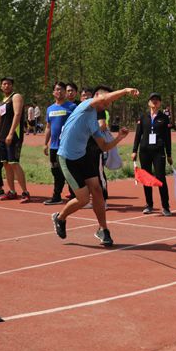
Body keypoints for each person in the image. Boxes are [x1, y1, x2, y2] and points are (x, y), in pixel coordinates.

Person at [51, 86, 138, 247]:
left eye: (108, 103)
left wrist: (119, 137)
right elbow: (103, 98)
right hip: (67, 158)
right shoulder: (86, 105)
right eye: (105, 100)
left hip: (83, 156)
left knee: (97, 190)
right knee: (83, 199)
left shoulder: (93, 122)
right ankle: (60, 218)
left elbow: (103, 146)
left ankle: (103, 229)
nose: (107, 104)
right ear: (97, 96)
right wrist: (126, 90)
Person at [132, 92, 174, 215]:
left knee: (161, 178)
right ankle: (149, 205)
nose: (154, 101)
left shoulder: (164, 118)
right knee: (147, 178)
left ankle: (165, 206)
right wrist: (134, 150)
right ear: (148, 102)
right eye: (152, 99)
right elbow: (138, 135)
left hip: (158, 152)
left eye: (157, 99)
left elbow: (167, 137)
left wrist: (169, 154)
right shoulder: (143, 117)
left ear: (160, 103)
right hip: (144, 151)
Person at [0, 78, 30, 202]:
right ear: (1, 86)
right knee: (6, 164)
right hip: (2, 137)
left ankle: (25, 192)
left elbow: (17, 114)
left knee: (14, 163)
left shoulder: (16, 97)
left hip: (14, 136)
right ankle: (12, 191)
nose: (6, 86)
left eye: (9, 84)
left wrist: (11, 133)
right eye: (4, 84)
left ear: (12, 86)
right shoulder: (2, 102)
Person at [44, 81, 76, 205]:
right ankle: (56, 196)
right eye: (57, 89)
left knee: (69, 171)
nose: (59, 91)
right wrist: (45, 143)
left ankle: (75, 196)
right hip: (54, 146)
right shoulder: (50, 109)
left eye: (62, 89)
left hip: (67, 146)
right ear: (53, 92)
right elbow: (48, 127)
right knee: (56, 172)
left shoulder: (72, 107)